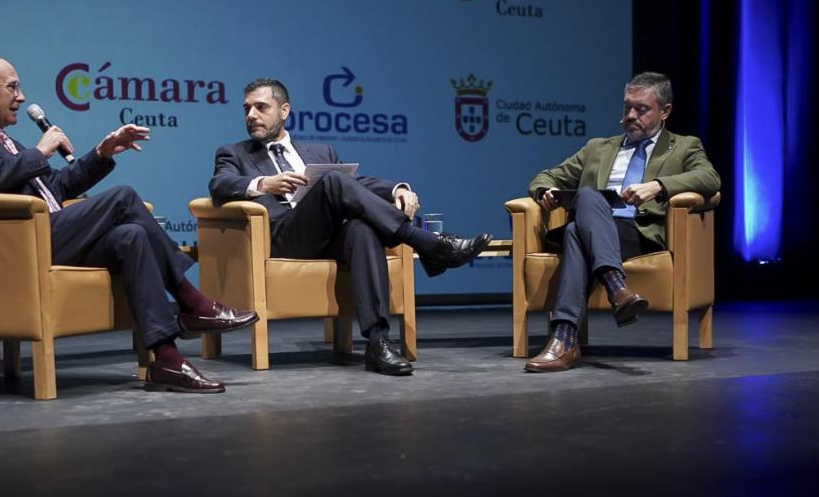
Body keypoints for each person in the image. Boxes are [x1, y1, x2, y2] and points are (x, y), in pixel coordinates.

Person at [0, 55, 259, 393]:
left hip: (48, 235)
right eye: (13, 87)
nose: (22, 96)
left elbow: (54, 187)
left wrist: (102, 154)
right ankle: (193, 303)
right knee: (123, 197)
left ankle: (167, 360)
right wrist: (38, 153)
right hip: (14, 247)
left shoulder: (9, 142)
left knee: (130, 236)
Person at [209, 78, 493, 376]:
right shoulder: (234, 153)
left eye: (261, 107)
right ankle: (428, 244)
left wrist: (395, 188)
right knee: (332, 181)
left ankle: (378, 343)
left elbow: (353, 185)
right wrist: (263, 183)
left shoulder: (320, 152)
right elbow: (220, 184)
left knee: (361, 228)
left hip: (327, 235)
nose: (251, 115)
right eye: (247, 109)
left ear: (284, 111)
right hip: (282, 238)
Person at [524, 72, 721, 372]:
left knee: (579, 225)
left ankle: (564, 339)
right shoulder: (598, 148)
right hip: (598, 232)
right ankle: (618, 290)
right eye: (627, 107)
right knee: (588, 202)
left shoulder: (683, 146)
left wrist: (658, 185)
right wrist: (544, 192)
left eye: (641, 109)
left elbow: (710, 178)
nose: (631, 115)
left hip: (639, 234)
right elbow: (546, 175)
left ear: (665, 111)